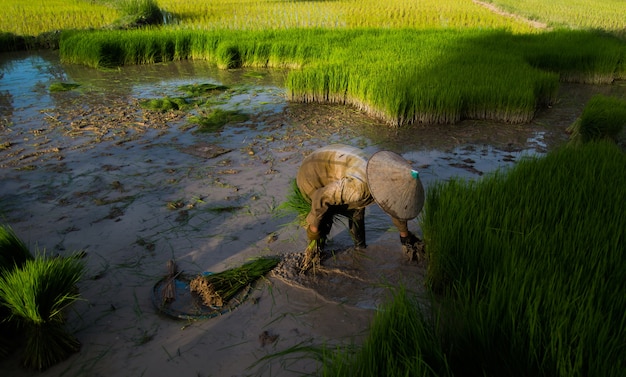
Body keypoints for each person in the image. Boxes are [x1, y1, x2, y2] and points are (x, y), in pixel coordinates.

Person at [296, 144, 425, 270]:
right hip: (311, 174)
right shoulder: (358, 188)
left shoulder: (382, 173)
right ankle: (313, 256)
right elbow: (320, 197)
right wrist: (313, 229)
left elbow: (395, 206)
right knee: (323, 219)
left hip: (338, 159)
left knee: (358, 206)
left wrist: (405, 236)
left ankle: (360, 248)